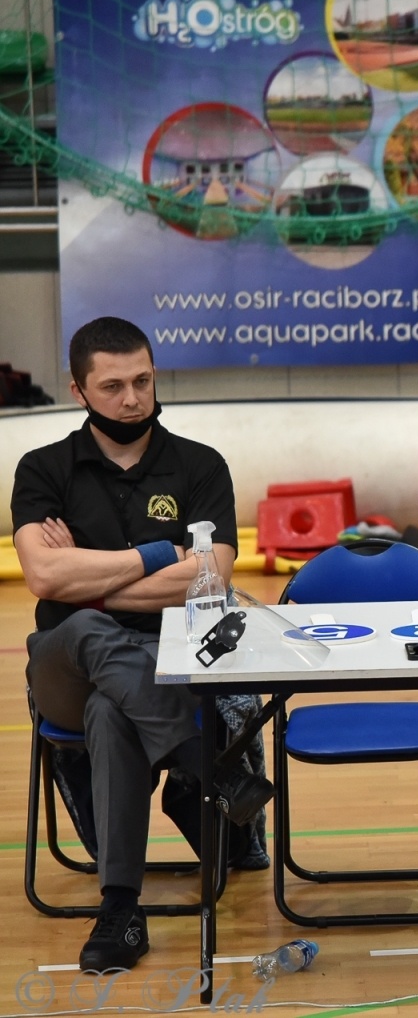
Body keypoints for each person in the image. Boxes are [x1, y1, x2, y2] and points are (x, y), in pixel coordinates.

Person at [12, 317, 267, 971]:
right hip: (62, 661)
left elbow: (211, 576)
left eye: (144, 380)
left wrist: (88, 581)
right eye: (114, 385)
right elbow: (42, 576)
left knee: (111, 706)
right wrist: (158, 556)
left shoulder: (199, 466)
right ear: (78, 390)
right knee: (86, 635)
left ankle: (120, 913)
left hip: (166, 663)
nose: (133, 398)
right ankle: (202, 763)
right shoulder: (43, 469)